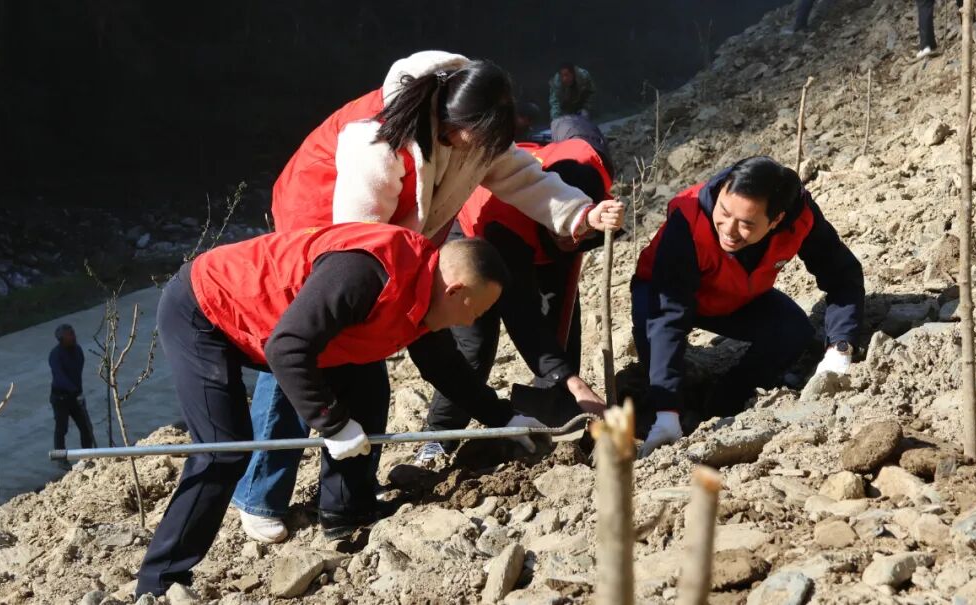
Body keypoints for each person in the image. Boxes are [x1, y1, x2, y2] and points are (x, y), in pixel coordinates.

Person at [234, 50, 624, 544]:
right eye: (470, 141)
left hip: (395, 237)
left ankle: (347, 505)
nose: (477, 153)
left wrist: (582, 214)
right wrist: (390, 305)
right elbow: (359, 248)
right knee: (303, 343)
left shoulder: (472, 127)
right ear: (448, 119)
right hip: (322, 220)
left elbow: (522, 176)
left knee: (366, 369)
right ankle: (260, 497)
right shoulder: (377, 142)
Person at [136, 222, 534, 597]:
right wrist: (331, 423)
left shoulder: (424, 293)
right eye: (475, 311)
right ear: (454, 290)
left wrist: (505, 418)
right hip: (205, 307)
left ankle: (347, 514)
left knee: (368, 383)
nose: (471, 321)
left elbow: (445, 369)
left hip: (282, 326)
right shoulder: (365, 275)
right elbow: (287, 349)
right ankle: (159, 581)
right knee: (224, 450)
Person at [631, 156, 864, 458]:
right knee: (655, 340)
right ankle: (666, 409)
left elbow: (842, 274)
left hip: (736, 296)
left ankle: (725, 398)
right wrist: (667, 411)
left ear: (776, 220)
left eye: (746, 224)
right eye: (724, 212)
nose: (728, 230)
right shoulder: (688, 220)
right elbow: (668, 315)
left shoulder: (801, 219)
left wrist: (840, 348)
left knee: (793, 331)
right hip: (662, 293)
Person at [415, 136, 616, 465]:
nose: (571, 241)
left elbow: (559, 299)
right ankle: (440, 435)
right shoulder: (506, 220)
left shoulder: (591, 188)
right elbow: (521, 312)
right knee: (475, 344)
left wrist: (565, 379)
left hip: (542, 229)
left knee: (561, 319)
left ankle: (557, 409)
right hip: (476, 234)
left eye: (578, 233)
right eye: (564, 233)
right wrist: (575, 382)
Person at [48, 324, 95, 464]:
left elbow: (78, 371)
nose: (74, 336)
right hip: (60, 398)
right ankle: (61, 459)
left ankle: (87, 457)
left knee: (86, 427)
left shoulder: (78, 350)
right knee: (61, 429)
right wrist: (73, 389)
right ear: (61, 338)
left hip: (76, 396)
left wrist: (78, 391)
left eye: (73, 333)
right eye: (70, 334)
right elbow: (59, 376)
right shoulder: (55, 355)